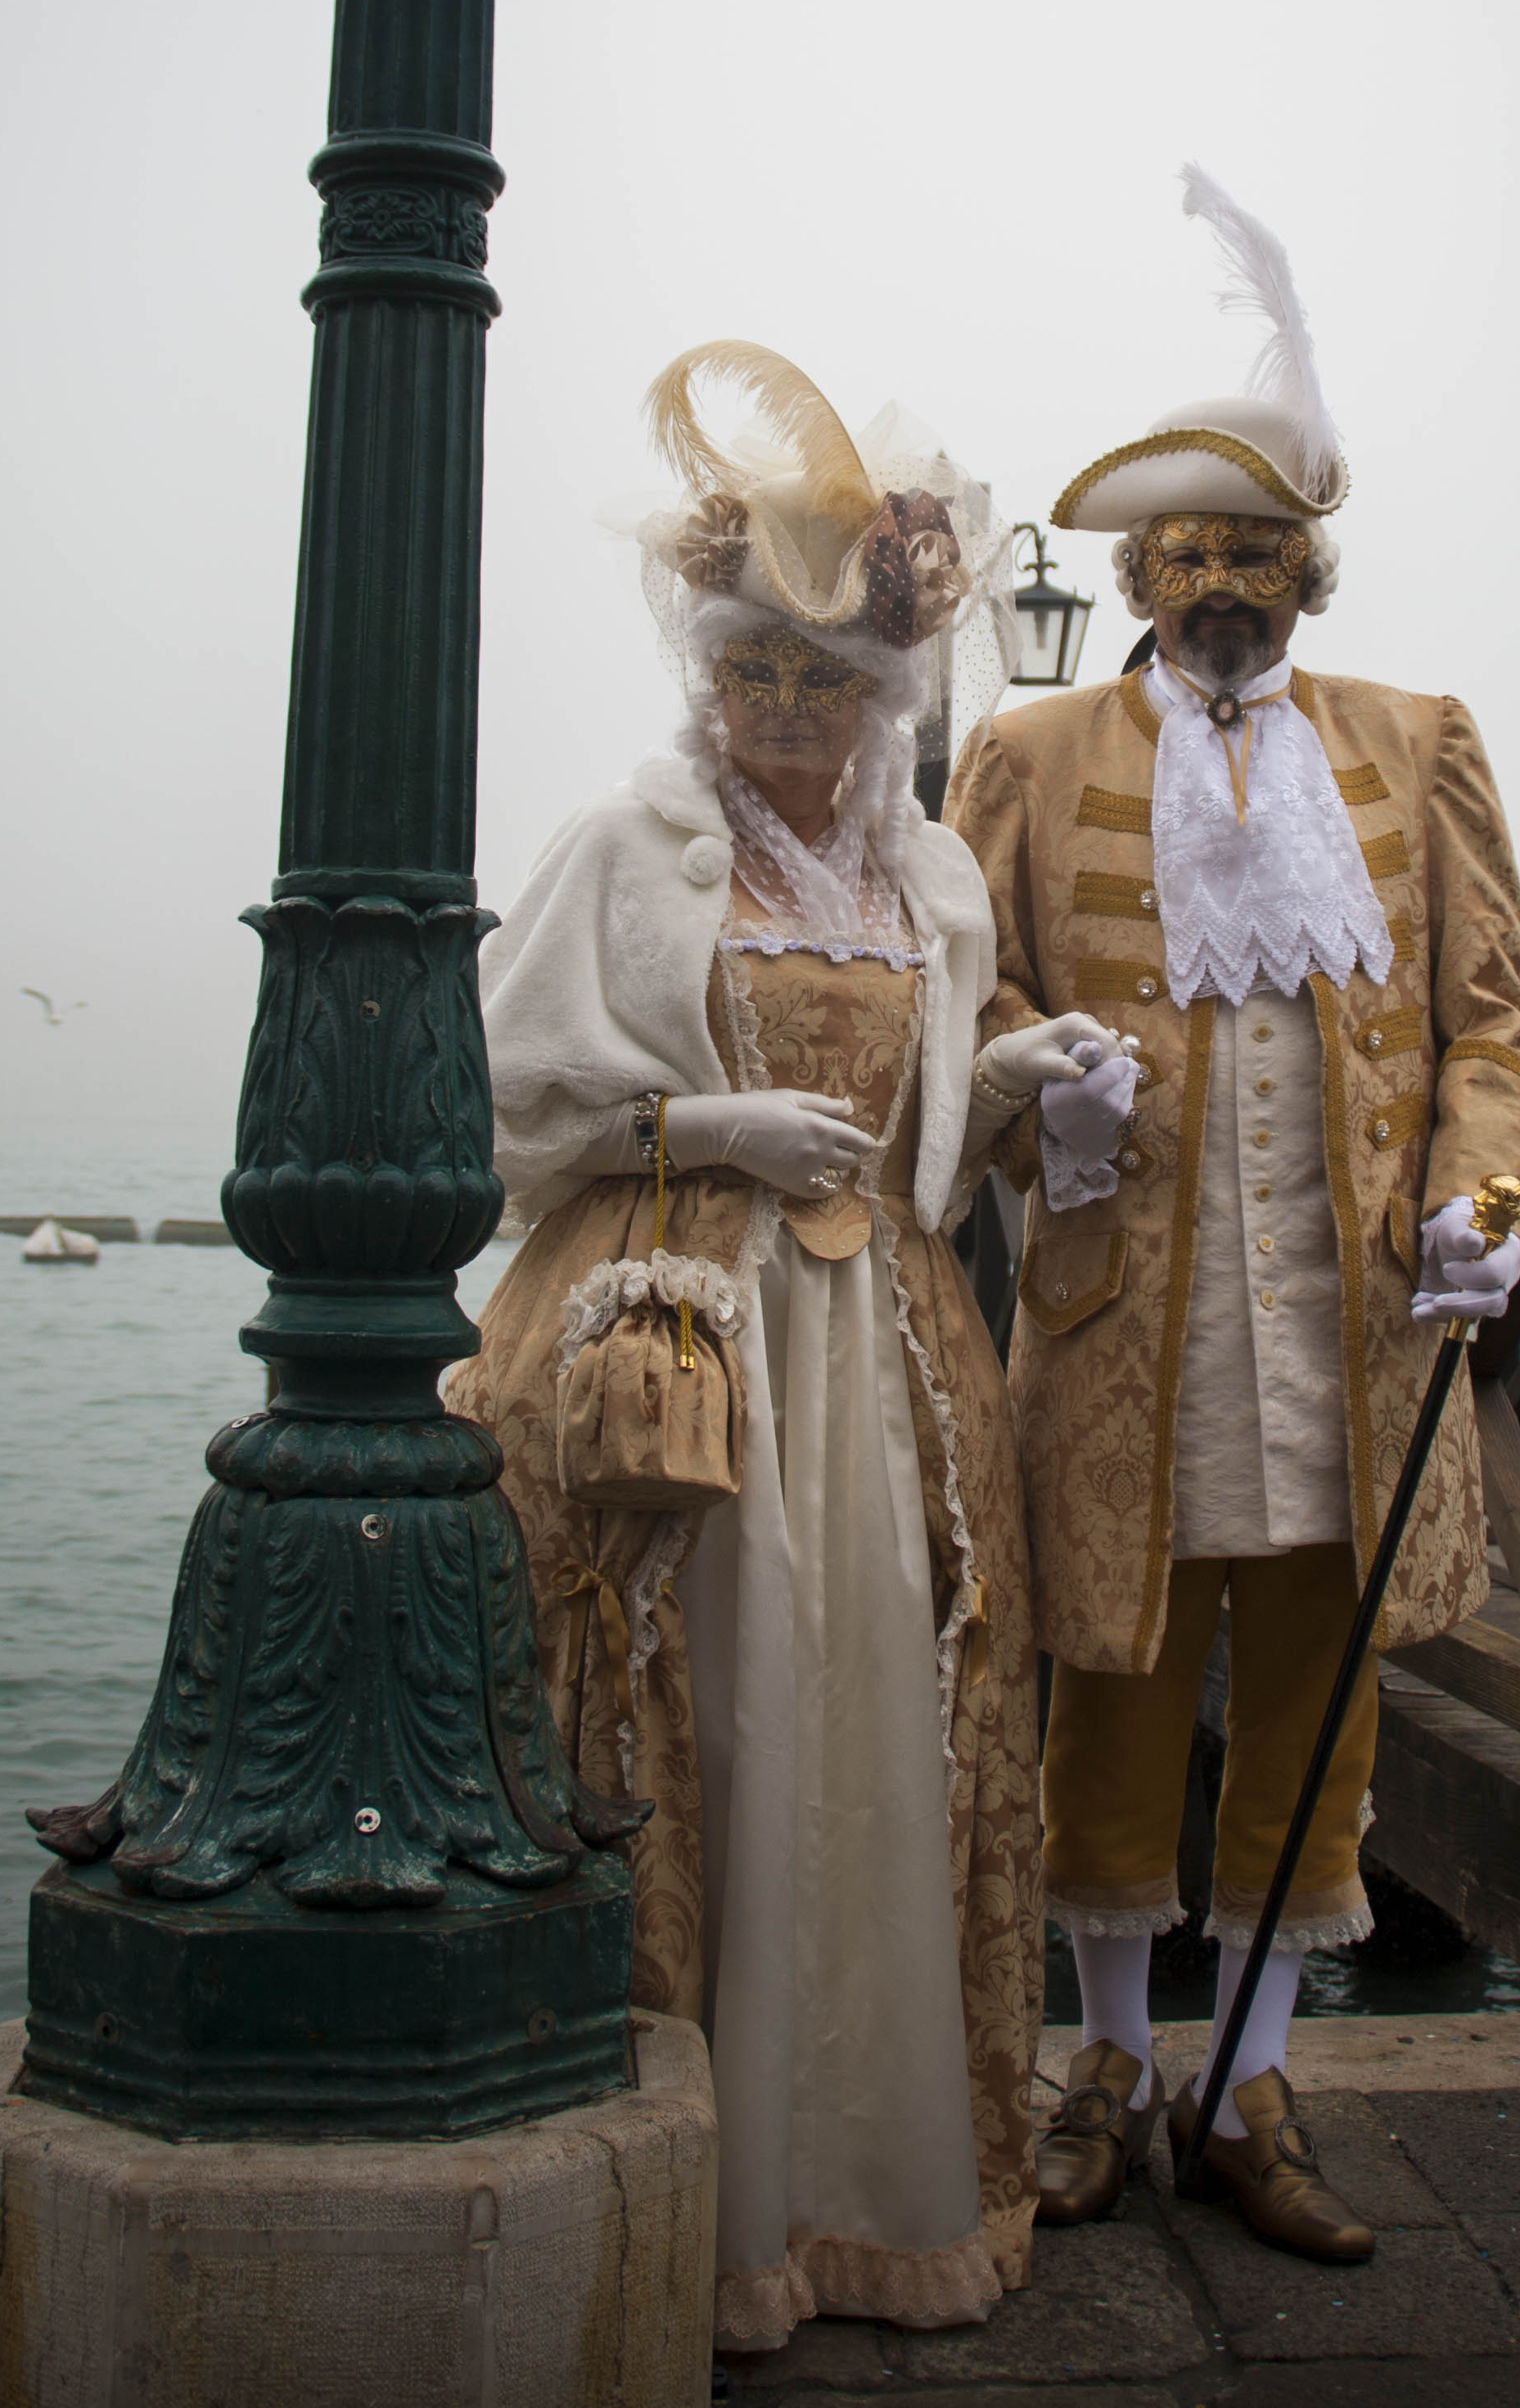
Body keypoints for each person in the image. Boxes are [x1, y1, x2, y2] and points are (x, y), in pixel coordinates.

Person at [450, 345, 1124, 2350]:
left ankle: (865, 2192)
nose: (788, 716)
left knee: (879, 1742)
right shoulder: (625, 849)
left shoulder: (929, 873)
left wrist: (1013, 1074)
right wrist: (695, 1125)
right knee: (703, 1724)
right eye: (756, 676)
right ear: (708, 677)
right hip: (681, 1334)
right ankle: (698, 2211)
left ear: (891, 699)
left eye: (826, 685)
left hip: (894, 1358)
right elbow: (496, 1110)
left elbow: (928, 1136)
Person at [945, 170, 1520, 2262]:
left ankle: (1254, 2079)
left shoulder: (1417, 743)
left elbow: (1491, 1028)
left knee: (1323, 1685)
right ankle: (1105, 2068)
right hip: (1128, 1325)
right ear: (1136, 568)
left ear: (1311, 573)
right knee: (1108, 1683)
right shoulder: (1022, 755)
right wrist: (1048, 1098)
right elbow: (973, 995)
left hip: (1355, 1329)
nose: (1221, 584)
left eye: (1259, 554)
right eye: (1188, 551)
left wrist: (1486, 1197)